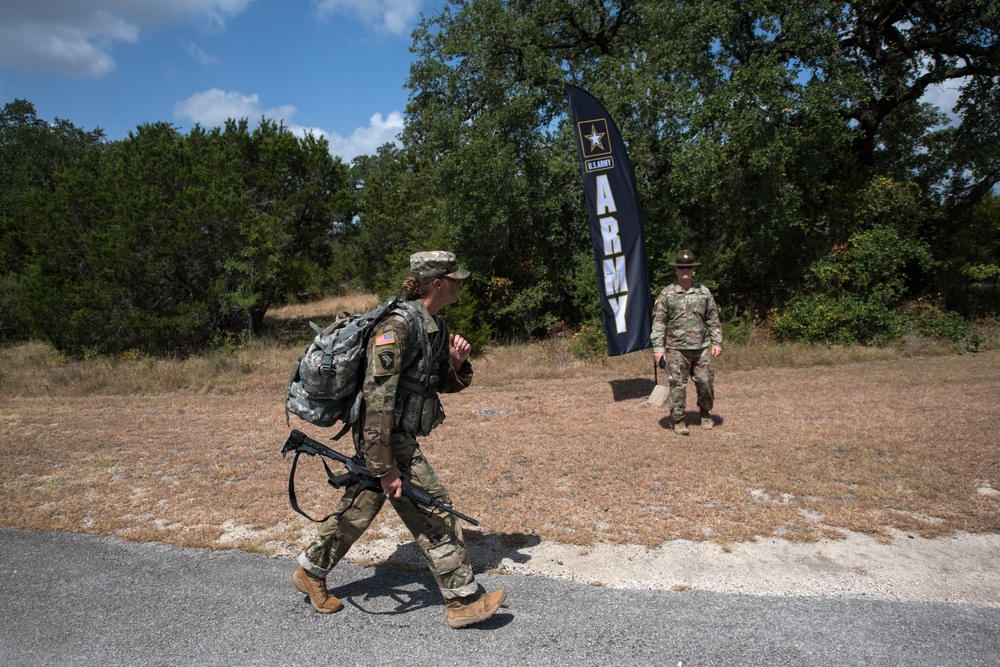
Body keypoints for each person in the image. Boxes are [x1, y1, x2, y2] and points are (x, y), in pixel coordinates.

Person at [291, 251, 506, 629]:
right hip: (384, 436)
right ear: (437, 283)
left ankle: (311, 570)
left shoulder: (432, 323)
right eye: (454, 278)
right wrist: (385, 464)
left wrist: (456, 365)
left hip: (392, 434)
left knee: (360, 505)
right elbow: (377, 398)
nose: (461, 283)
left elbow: (433, 383)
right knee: (434, 508)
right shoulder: (398, 327)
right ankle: (463, 600)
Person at [650, 249, 723, 435]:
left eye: (688, 267)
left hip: (701, 348)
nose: (685, 271)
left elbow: (713, 319)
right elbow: (659, 324)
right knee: (677, 385)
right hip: (676, 349)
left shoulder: (703, 292)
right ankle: (678, 420)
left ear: (692, 270)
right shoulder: (667, 294)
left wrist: (717, 342)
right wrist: (658, 349)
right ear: (676, 269)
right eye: (681, 267)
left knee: (705, 382)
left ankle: (705, 413)